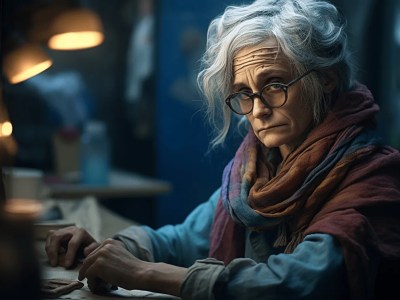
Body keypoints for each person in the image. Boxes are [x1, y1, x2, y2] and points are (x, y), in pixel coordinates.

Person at [45, 0, 400, 299]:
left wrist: (147, 273)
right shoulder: (256, 167)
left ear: (326, 80)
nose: (258, 109)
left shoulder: (372, 179)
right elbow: (184, 238)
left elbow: (298, 282)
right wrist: (112, 248)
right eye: (244, 93)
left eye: (274, 85)